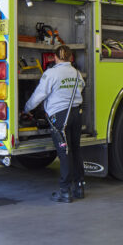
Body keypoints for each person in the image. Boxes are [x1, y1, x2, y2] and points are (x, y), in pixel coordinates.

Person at [23, 45, 86, 203]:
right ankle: (79, 187)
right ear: (71, 58)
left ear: (56, 58)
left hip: (60, 117)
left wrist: (26, 108)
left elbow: (39, 95)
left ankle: (65, 191)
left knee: (64, 153)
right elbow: (82, 86)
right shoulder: (76, 73)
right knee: (76, 150)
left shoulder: (51, 73)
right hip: (76, 114)